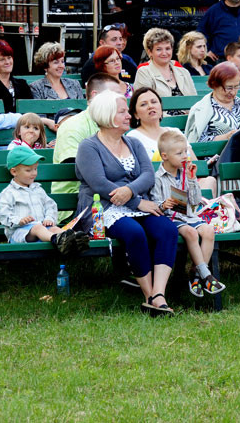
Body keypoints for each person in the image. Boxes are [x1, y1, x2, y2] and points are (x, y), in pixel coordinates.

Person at [74, 90, 179, 315]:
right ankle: (149, 295)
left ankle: (159, 293)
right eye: (122, 111)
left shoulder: (132, 142)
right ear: (108, 115)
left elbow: (148, 176)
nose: (128, 115)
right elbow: (99, 183)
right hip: (102, 208)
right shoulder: (88, 147)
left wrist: (131, 194)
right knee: (134, 233)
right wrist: (136, 202)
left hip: (136, 203)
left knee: (167, 229)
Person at [150, 130, 224, 297]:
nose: (184, 156)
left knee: (208, 231)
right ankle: (206, 275)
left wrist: (192, 180)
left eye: (185, 151)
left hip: (190, 215)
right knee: (190, 233)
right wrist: (163, 205)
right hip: (172, 219)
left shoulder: (185, 174)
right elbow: (156, 205)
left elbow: (196, 201)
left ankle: (196, 275)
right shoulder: (158, 178)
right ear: (165, 156)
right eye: (179, 153)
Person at [52, 73, 124, 220]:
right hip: (77, 205)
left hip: (111, 197)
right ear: (95, 95)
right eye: (113, 95)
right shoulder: (74, 125)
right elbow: (72, 166)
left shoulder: (114, 124)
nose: (119, 101)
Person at [125, 87, 218, 195]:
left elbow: (193, 162)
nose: (150, 106)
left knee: (209, 181)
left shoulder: (175, 131)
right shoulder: (133, 137)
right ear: (135, 114)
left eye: (154, 102)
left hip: (185, 183)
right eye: (143, 104)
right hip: (158, 187)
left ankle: (200, 211)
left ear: (160, 107)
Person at [0, 146, 88, 253]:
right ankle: (57, 240)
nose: (34, 173)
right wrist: (19, 220)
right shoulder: (9, 193)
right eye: (28, 170)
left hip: (43, 231)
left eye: (35, 168)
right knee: (37, 228)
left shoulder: (38, 190)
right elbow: (4, 214)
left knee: (54, 229)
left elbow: (50, 205)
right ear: (14, 172)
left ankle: (74, 240)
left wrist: (49, 218)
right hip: (19, 233)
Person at [185, 62, 240, 143]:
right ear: (215, 85)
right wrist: (225, 137)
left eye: (236, 86)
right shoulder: (202, 108)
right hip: (216, 154)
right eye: (229, 87)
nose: (233, 92)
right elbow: (196, 142)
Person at [133, 28, 196, 98]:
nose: (164, 53)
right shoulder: (144, 73)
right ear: (150, 52)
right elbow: (144, 101)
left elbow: (194, 101)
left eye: (167, 48)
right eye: (159, 49)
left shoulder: (184, 73)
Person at [0, 40, 32, 113]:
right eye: (2, 59)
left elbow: (31, 110)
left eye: (9, 58)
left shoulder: (22, 85)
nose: (7, 62)